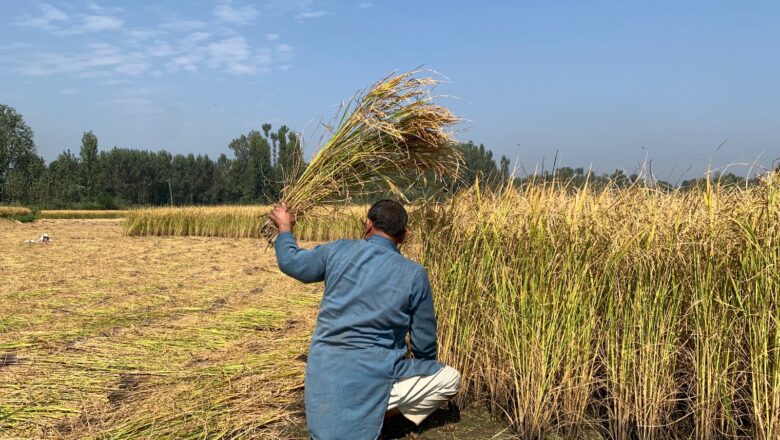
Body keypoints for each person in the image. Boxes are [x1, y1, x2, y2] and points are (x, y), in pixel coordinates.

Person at [269, 199, 461, 440]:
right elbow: (424, 341)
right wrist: (421, 366)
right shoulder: (414, 274)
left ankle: (348, 410)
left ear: (367, 224)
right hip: (377, 373)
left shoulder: (337, 251)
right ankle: (377, 413)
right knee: (449, 378)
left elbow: (292, 262)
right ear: (404, 236)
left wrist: (285, 229)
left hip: (323, 375)